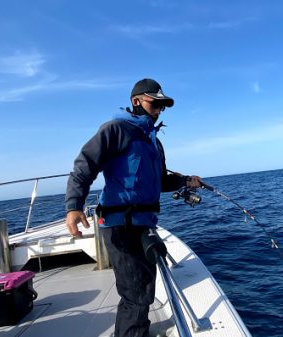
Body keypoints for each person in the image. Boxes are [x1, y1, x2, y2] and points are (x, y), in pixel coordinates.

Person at [65, 78, 202, 337]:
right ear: (136, 101)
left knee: (144, 288)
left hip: (144, 223)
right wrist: (74, 205)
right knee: (135, 293)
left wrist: (186, 181)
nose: (159, 109)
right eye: (155, 103)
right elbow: (84, 165)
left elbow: (161, 181)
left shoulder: (154, 142)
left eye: (163, 106)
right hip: (119, 225)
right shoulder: (115, 130)